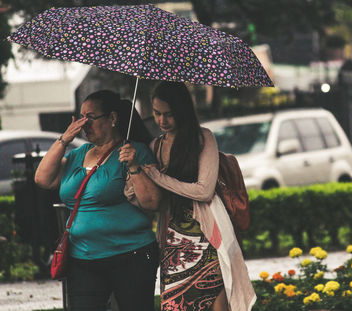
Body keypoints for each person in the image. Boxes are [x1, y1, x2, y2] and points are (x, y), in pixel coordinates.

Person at [34, 90, 162, 311]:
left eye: (90, 117)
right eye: (80, 117)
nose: (84, 124)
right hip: (82, 258)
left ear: (112, 118)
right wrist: (64, 139)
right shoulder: (77, 154)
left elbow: (152, 203)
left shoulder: (133, 152)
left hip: (131, 256)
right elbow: (42, 179)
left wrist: (133, 165)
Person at [135, 81, 256, 311]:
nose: (162, 121)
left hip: (207, 234)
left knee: (216, 304)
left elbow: (204, 190)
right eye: (157, 113)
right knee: (175, 304)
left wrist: (158, 177)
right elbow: (152, 198)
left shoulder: (203, 138)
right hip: (173, 239)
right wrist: (134, 166)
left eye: (169, 114)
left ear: (182, 111)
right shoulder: (155, 146)